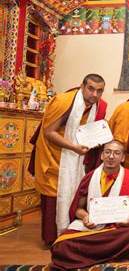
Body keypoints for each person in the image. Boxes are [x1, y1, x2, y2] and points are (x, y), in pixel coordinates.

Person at [29, 73, 107, 245]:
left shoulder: (99, 106)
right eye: (91, 89)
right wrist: (73, 147)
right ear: (82, 86)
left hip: (77, 158)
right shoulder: (64, 101)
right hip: (54, 155)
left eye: (99, 91)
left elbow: (92, 130)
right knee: (53, 194)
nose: (94, 94)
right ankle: (52, 238)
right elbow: (49, 132)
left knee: (74, 193)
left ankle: (69, 233)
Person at [50, 140, 129, 269]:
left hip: (117, 229)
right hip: (92, 227)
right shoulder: (90, 177)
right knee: (60, 246)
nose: (111, 156)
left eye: (116, 153)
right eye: (108, 152)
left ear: (122, 158)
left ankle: (104, 252)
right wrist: (85, 217)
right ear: (101, 155)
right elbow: (78, 209)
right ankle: (120, 252)